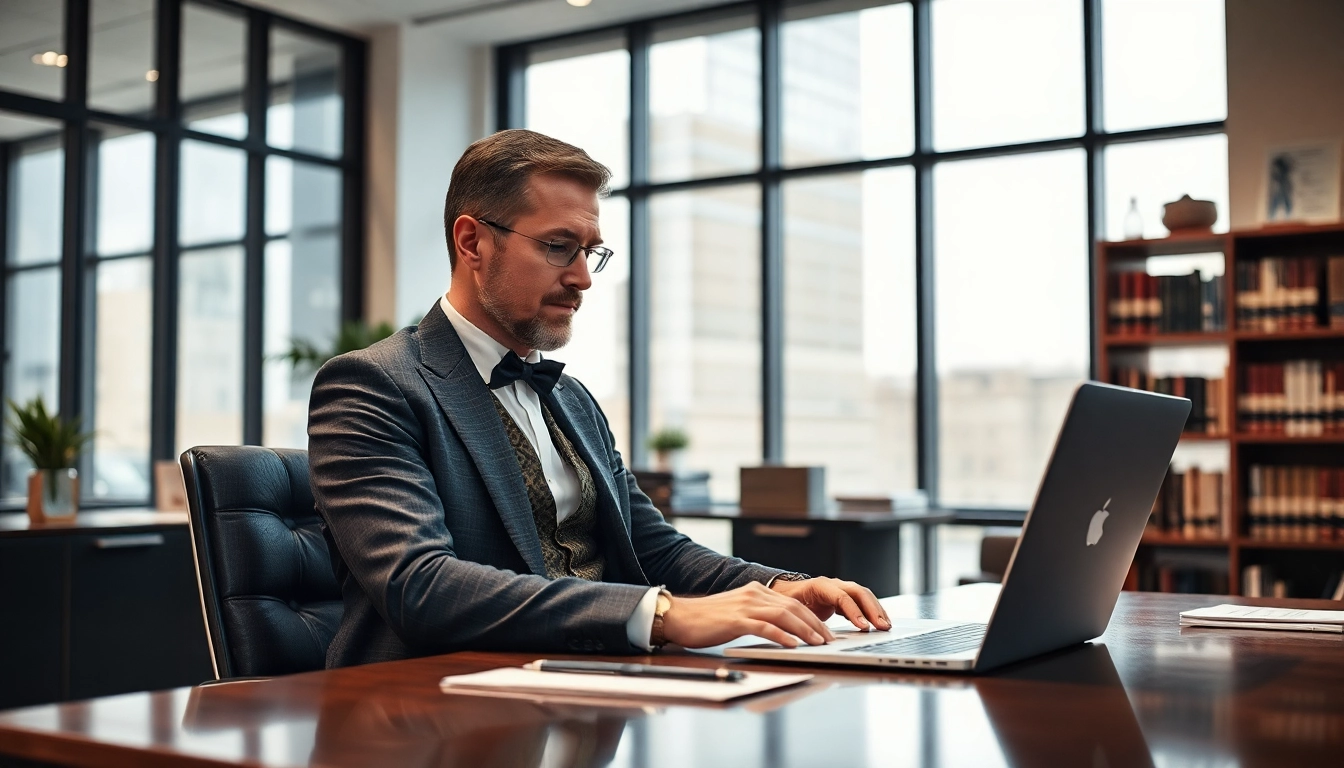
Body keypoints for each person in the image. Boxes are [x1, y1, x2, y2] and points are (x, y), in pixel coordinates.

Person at [309, 129, 892, 668]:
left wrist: (777, 588)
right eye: (560, 246)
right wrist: (661, 615)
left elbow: (651, 547)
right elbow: (421, 585)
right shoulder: (371, 384)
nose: (584, 277)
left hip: (584, 682)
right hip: (428, 705)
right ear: (472, 242)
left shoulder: (573, 398)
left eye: (591, 251)